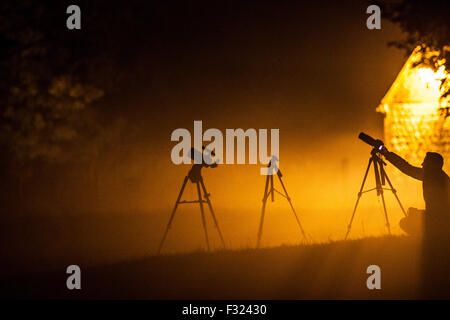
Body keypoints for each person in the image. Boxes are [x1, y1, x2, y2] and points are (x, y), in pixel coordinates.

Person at [380, 147, 450, 298]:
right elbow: (407, 168)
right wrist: (387, 154)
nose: (422, 165)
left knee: (406, 222)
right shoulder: (435, 176)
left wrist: (419, 214)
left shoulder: (437, 180)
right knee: (408, 220)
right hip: (438, 220)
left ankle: (429, 243)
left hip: (439, 223)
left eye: (425, 163)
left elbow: (439, 212)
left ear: (431, 166)